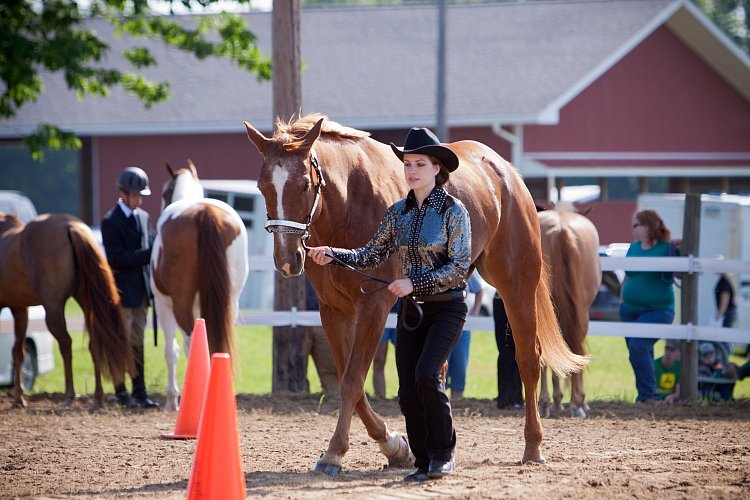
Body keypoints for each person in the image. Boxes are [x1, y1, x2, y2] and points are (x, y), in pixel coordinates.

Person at [307, 127, 471, 481]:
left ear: (437, 169)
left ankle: (444, 454)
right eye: (408, 164)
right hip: (413, 310)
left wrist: (415, 281)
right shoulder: (397, 213)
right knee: (408, 390)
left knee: (428, 377)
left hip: (447, 307)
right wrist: (332, 254)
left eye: (420, 164)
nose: (411, 171)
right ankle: (422, 460)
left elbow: (459, 266)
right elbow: (371, 254)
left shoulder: (454, 212)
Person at [101, 167, 159, 409]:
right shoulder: (110, 221)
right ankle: (120, 391)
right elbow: (116, 259)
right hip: (123, 293)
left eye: (140, 195)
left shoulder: (143, 217)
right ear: (122, 194)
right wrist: (148, 255)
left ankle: (139, 391)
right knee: (121, 341)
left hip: (142, 292)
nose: (139, 199)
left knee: (137, 342)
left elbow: (153, 241)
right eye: (135, 195)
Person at [620, 209, 676, 403]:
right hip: (629, 310)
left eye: (636, 225)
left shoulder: (666, 248)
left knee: (638, 347)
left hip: (658, 310)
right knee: (639, 351)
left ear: (648, 226)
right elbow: (628, 275)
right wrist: (622, 296)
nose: (633, 229)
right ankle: (648, 393)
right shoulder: (633, 248)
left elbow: (678, 272)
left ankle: (647, 395)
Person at [446, 271, 483, 400]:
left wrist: (475, 311)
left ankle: (457, 400)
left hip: (463, 325)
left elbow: (479, 290)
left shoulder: (464, 269)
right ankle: (440, 399)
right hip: (443, 323)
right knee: (441, 362)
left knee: (460, 364)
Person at [303, 277, 340, 398]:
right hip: (297, 324)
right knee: (295, 371)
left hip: (323, 321)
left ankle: (333, 400)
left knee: (330, 369)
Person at [494, 293, 524, 409]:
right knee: (508, 351)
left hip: (505, 301)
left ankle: (509, 397)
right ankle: (510, 398)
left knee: (508, 352)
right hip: (508, 302)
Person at [372, 299, 400, 399]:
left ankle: (405, 395)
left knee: (405, 361)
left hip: (402, 313)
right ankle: (380, 396)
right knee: (379, 359)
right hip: (381, 314)